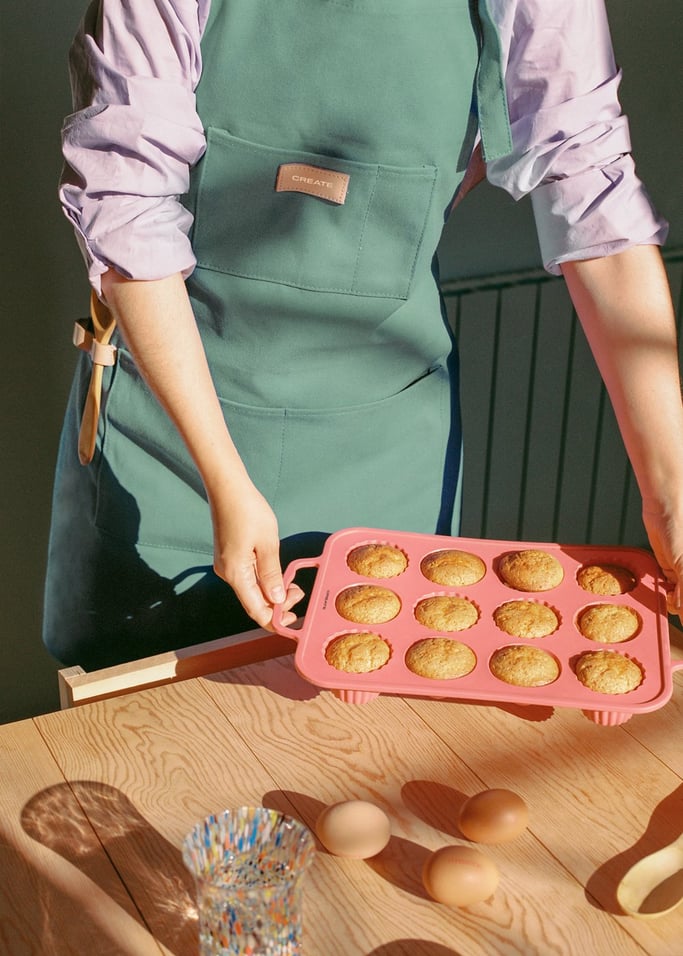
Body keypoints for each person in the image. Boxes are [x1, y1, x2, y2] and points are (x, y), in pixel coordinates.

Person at [44, 0, 683, 670]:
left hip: (385, 448)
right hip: (170, 449)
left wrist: (669, 492)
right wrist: (224, 479)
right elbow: (126, 205)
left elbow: (591, 194)